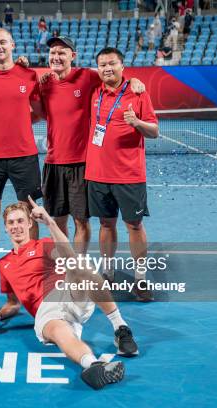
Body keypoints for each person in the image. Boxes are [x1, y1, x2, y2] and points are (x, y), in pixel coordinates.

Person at [0, 199, 139, 390]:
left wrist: (50, 222)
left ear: (29, 223)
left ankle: (120, 328)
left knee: (80, 266)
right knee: (60, 333)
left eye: (20, 221)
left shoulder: (44, 244)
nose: (16, 226)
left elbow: (68, 256)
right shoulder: (4, 263)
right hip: (46, 312)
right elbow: (13, 303)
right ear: (6, 228)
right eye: (11, 222)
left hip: (67, 292)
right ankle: (93, 366)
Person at [37, 37, 146, 255]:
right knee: (57, 221)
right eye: (53, 53)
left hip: (81, 164)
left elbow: (114, 75)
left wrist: (134, 79)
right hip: (52, 162)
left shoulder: (87, 76)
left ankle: (79, 264)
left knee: (81, 221)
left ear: (72, 56)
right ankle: (65, 264)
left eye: (62, 52)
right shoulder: (45, 82)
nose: (56, 57)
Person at [85, 48, 159, 302]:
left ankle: (140, 278)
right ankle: (108, 273)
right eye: (102, 64)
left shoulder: (137, 92)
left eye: (112, 63)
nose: (107, 68)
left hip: (129, 174)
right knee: (106, 224)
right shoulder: (94, 91)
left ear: (122, 66)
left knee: (134, 225)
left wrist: (137, 123)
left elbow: (154, 132)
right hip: (97, 173)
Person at [0, 28, 44, 263]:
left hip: (25, 156)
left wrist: (19, 122)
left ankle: (29, 261)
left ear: (12, 45)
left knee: (29, 213)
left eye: (3, 42)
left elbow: (40, 113)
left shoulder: (28, 75)